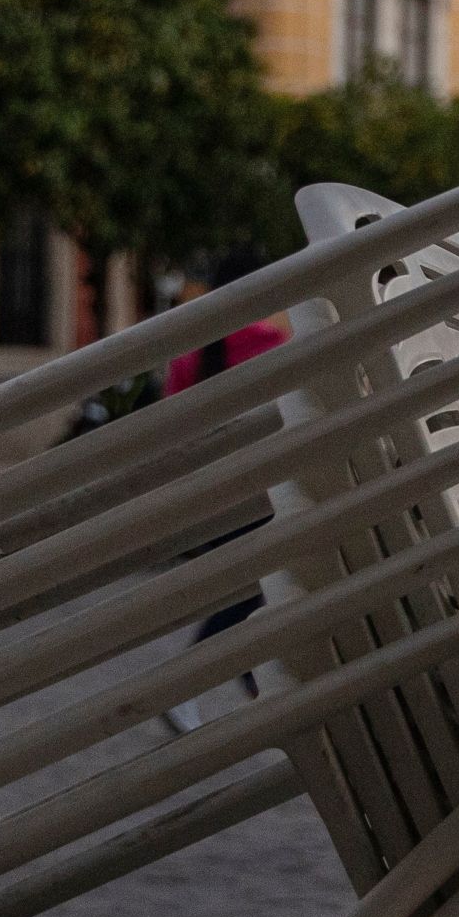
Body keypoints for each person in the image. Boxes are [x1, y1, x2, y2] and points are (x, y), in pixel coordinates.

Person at [160, 248, 289, 735]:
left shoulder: (195, 351)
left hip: (211, 495)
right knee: (255, 591)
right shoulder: (270, 344)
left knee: (251, 592)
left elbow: (173, 425)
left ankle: (254, 686)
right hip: (260, 490)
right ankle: (190, 686)